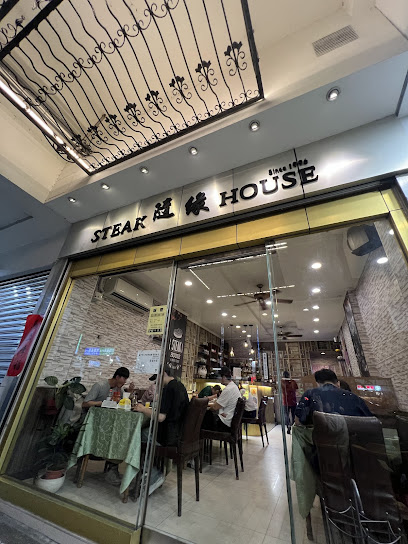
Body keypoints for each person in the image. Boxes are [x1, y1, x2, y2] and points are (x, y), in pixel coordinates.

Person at [134, 371, 189, 494]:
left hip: (167, 436)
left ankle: (154, 474)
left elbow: (160, 417)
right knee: (146, 432)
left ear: (162, 374)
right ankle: (152, 470)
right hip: (178, 434)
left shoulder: (168, 389)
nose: (156, 381)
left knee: (137, 435)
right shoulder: (180, 386)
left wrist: (143, 409)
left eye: (157, 377)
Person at [81, 367, 133, 485]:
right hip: (93, 423)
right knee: (115, 438)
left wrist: (129, 392)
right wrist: (101, 403)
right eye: (124, 379)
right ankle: (111, 469)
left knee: (120, 436)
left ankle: (112, 468)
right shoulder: (100, 386)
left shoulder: (118, 389)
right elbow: (85, 403)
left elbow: (120, 404)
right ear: (117, 377)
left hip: (107, 424)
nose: (124, 382)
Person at [295, 369, 373, 426]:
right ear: (338, 383)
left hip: (321, 439)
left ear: (317, 383)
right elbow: (370, 420)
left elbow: (300, 419)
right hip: (352, 439)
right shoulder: (353, 397)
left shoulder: (310, 394)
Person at [202, 366, 240, 432]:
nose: (219, 379)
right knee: (206, 415)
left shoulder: (228, 389)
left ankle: (199, 437)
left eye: (220, 377)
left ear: (224, 377)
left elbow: (215, 407)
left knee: (203, 415)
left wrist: (208, 408)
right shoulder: (234, 387)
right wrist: (220, 411)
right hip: (229, 419)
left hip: (224, 423)